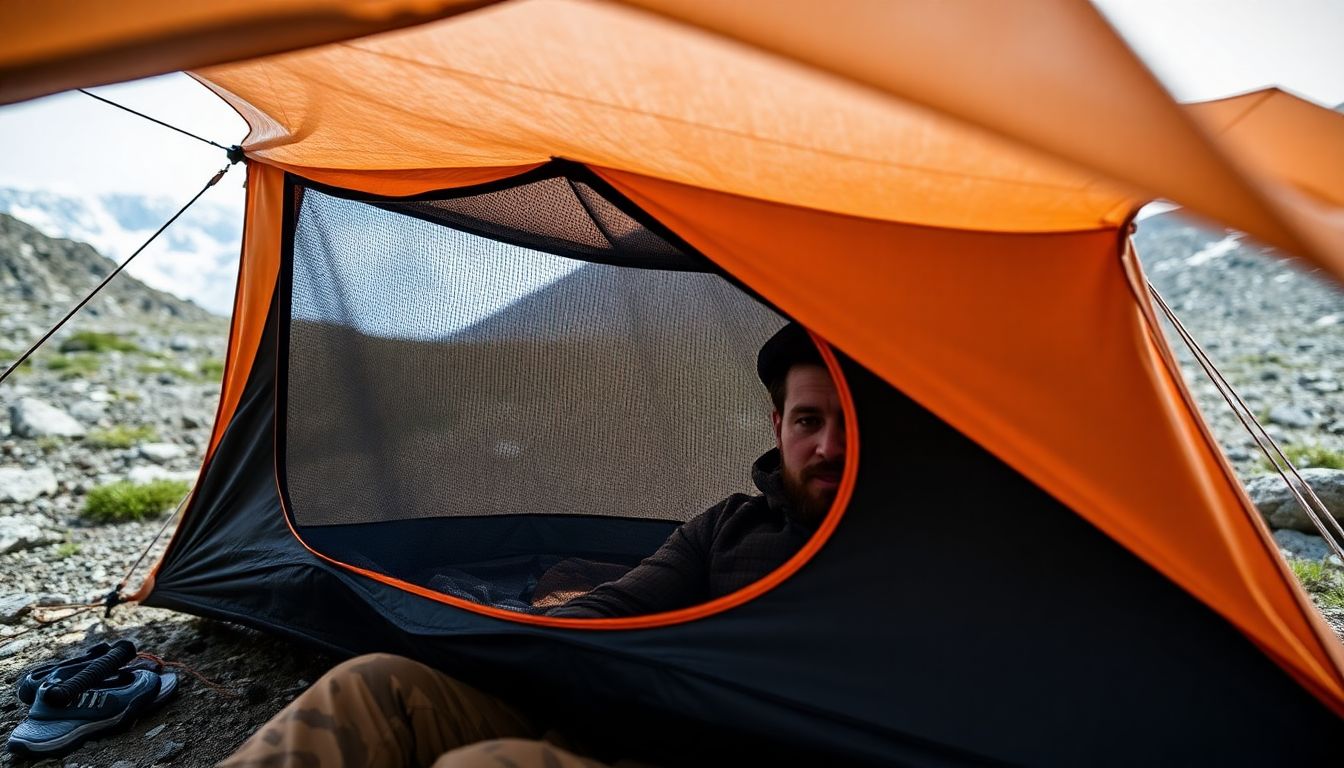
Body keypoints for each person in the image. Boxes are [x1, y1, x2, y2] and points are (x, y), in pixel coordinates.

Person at [219, 322, 846, 767]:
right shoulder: (729, 526)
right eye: (808, 421)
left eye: (847, 426)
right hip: (622, 723)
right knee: (373, 685)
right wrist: (502, 640)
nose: (828, 448)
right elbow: (611, 608)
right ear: (777, 426)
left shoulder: (907, 553)